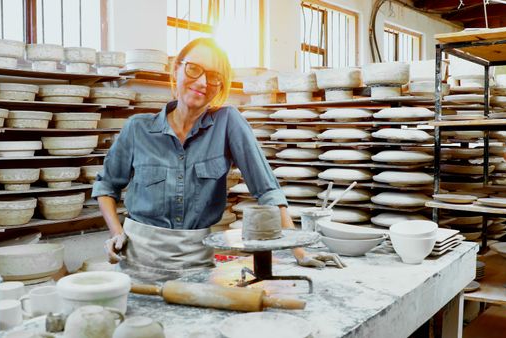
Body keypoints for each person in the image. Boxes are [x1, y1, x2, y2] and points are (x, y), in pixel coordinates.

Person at [93, 38, 344, 282]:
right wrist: (116, 233)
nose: (202, 82)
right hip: (138, 260)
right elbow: (106, 186)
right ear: (176, 69)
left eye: (214, 77)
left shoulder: (227, 123)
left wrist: (299, 250)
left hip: (195, 262)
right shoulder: (138, 128)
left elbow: (267, 191)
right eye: (193, 69)